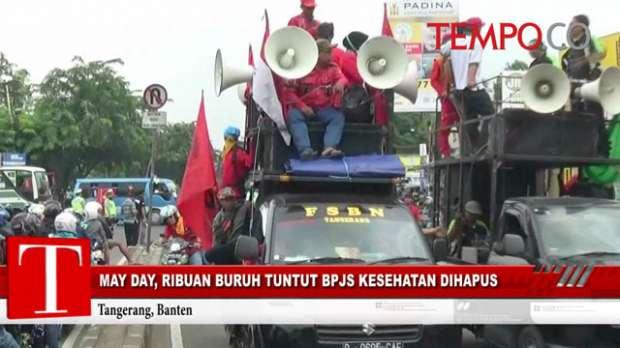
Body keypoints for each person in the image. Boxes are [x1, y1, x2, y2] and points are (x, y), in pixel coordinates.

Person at [285, 39, 348, 160]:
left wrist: (340, 83)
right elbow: (289, 93)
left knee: (337, 117)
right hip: (304, 109)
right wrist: (302, 107)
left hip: (323, 109)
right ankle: (305, 150)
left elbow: (343, 79)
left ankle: (329, 148)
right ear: (318, 54)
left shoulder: (333, 68)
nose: (331, 55)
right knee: (293, 115)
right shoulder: (303, 69)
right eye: (328, 52)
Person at [561, 14, 609, 156]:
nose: (569, 27)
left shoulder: (589, 40)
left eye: (572, 24)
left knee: (594, 117)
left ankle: (601, 151)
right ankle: (584, 151)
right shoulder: (573, 47)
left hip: (590, 86)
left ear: (582, 27)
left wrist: (585, 60)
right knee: (578, 119)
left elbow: (601, 53)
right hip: (576, 90)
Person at [448, 17, 495, 153]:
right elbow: (473, 64)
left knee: (470, 120)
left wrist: (453, 82)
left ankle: (473, 149)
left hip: (459, 90)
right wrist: (471, 80)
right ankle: (483, 146)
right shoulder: (476, 42)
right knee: (492, 115)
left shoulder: (452, 43)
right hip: (473, 88)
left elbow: (443, 60)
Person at [203, 187, 251, 265]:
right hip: (225, 246)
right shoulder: (218, 218)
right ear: (221, 202)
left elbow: (237, 232)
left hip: (239, 244)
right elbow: (216, 239)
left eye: (231, 199)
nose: (230, 202)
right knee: (211, 255)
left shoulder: (242, 209)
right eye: (226, 199)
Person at [432, 33, 459, 158]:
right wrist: (443, 91)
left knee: (465, 123)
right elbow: (434, 80)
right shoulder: (438, 60)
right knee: (445, 126)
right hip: (447, 97)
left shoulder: (460, 56)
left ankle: (466, 150)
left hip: (460, 95)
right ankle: (445, 153)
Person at [221, 126, 252, 199]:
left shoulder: (228, 154)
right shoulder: (237, 154)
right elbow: (251, 163)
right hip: (233, 195)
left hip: (230, 195)